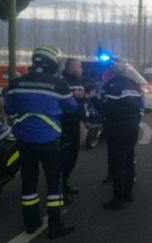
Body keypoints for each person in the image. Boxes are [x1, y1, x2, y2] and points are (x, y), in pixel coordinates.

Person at [4, 46, 76, 239]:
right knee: (54, 183)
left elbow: (9, 110)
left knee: (28, 181)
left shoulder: (16, 83)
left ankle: (31, 223)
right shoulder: (58, 84)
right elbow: (71, 107)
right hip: (49, 141)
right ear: (52, 63)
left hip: (24, 140)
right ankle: (55, 226)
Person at [101, 60, 143, 210]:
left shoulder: (110, 86)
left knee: (118, 162)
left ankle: (117, 199)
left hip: (117, 127)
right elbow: (140, 105)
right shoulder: (135, 85)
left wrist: (93, 99)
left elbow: (105, 107)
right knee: (130, 159)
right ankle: (128, 193)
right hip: (132, 126)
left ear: (113, 72)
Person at [60, 58, 86, 205]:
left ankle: (65, 183)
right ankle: (60, 190)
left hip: (75, 123)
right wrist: (74, 97)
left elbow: (82, 101)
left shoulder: (78, 80)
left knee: (72, 158)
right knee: (64, 159)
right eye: (79, 66)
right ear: (71, 67)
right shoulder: (62, 81)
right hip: (64, 125)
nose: (81, 69)